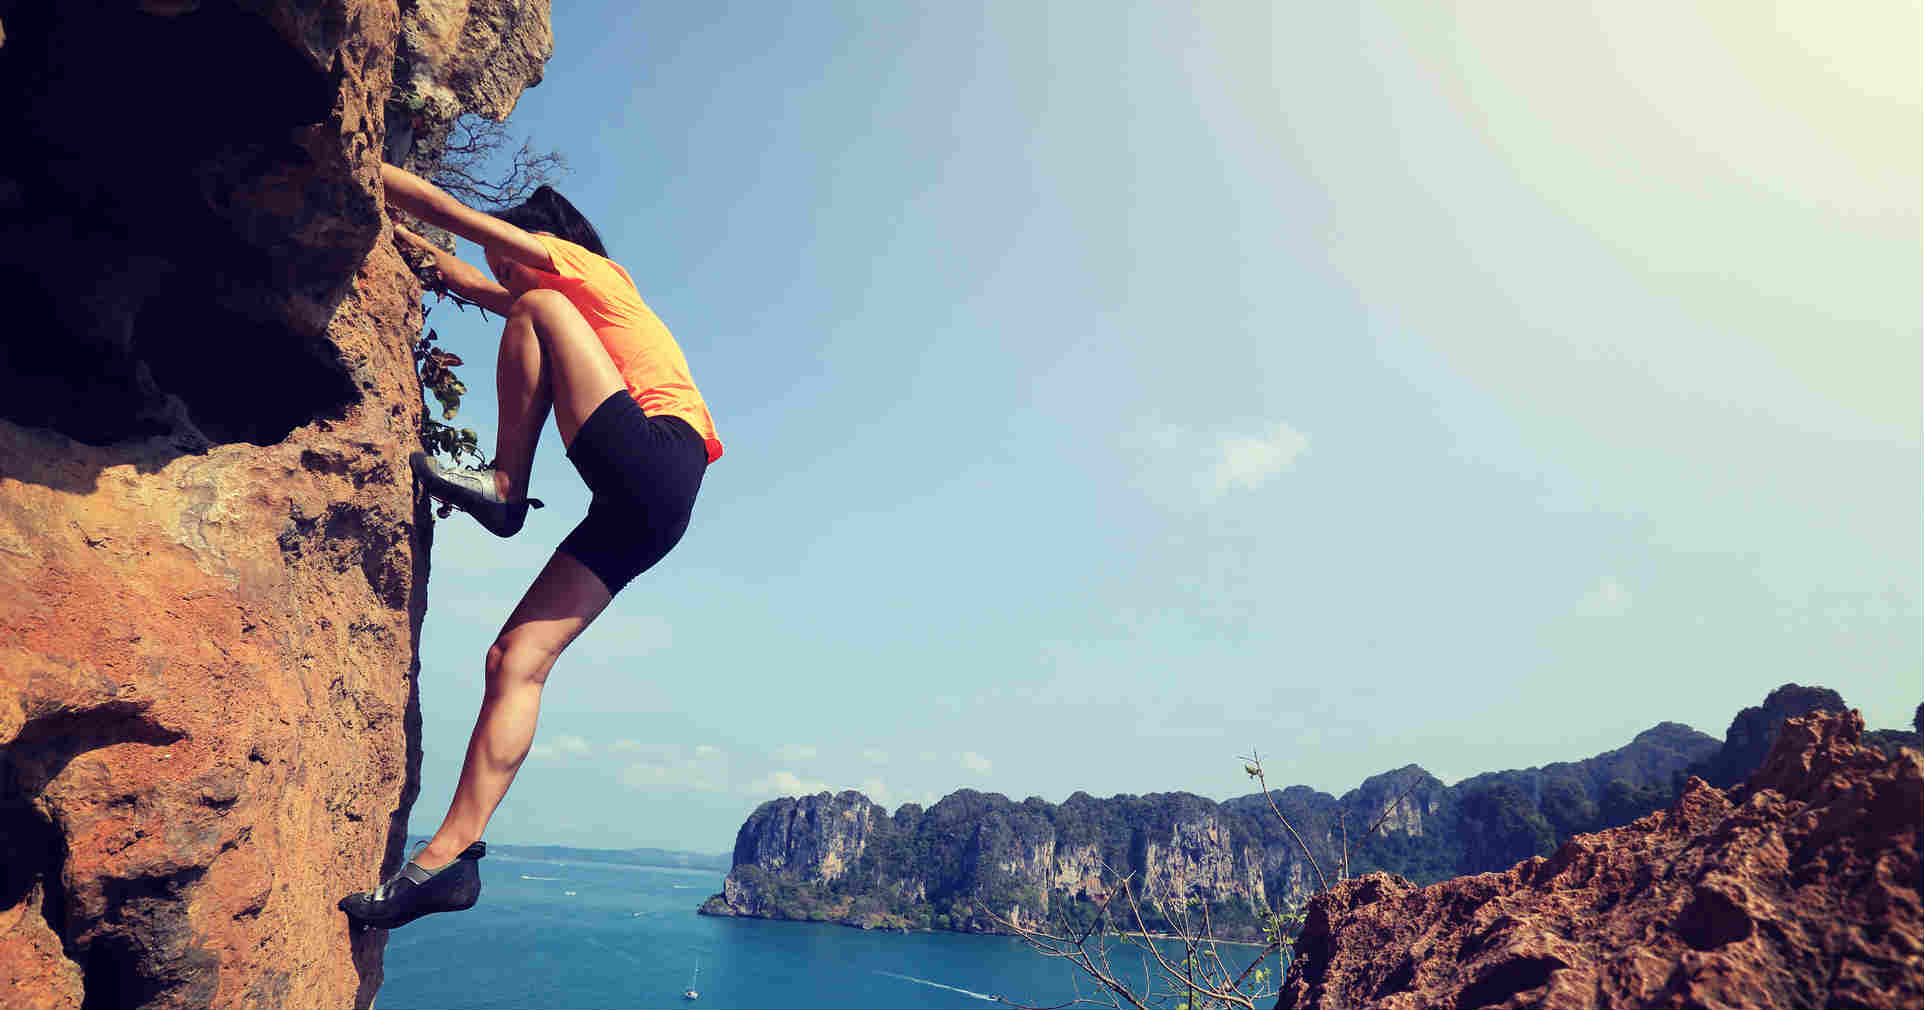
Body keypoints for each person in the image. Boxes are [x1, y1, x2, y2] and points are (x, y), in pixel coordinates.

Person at [337, 163, 722, 930]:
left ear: (543, 241)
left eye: (510, 260)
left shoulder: (588, 272)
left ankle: (506, 485)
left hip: (660, 454)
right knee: (513, 660)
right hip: (651, 505)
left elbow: (459, 218)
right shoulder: (572, 314)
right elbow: (467, 280)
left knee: (539, 306)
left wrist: (356, 162)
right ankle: (449, 860)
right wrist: (413, 248)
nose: (504, 277)